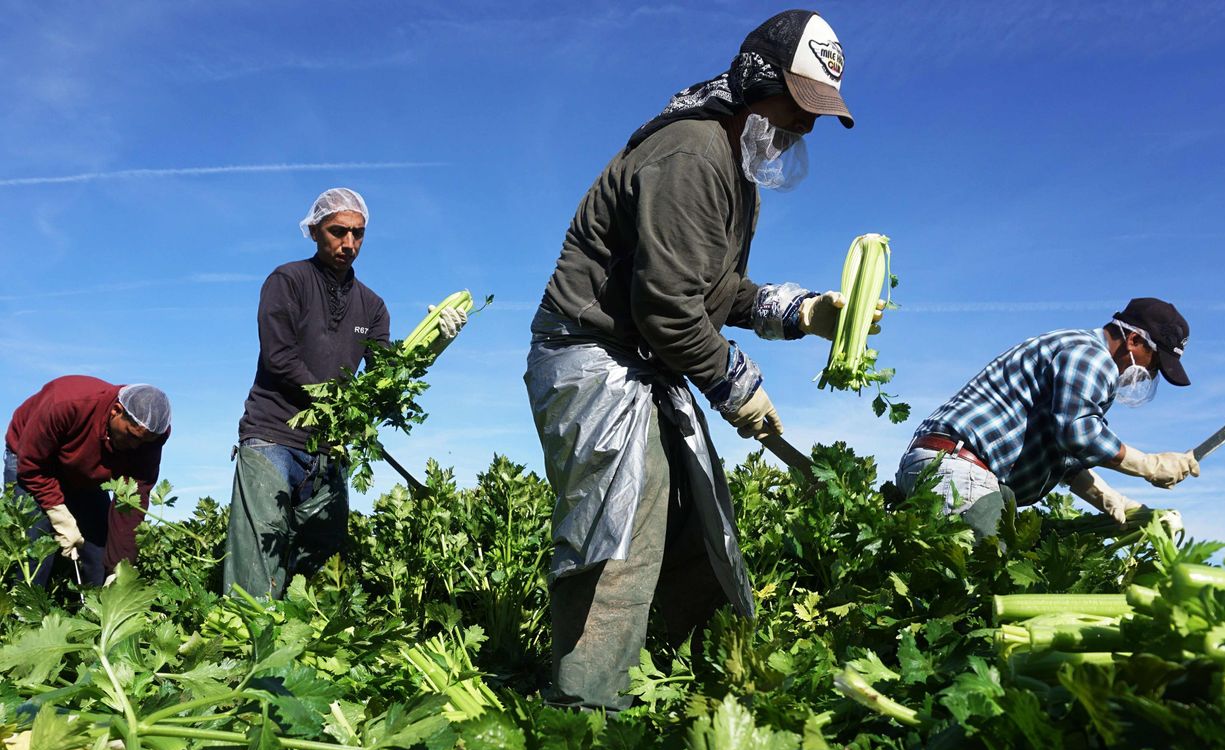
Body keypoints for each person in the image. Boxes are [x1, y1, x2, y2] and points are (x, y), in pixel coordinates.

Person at [525, 9, 864, 712]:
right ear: (756, 80)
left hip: (642, 359)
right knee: (621, 533)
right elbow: (670, 310)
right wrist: (739, 388)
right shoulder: (692, 152)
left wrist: (799, 313)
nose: (803, 129)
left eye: (816, 117)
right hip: (594, 355)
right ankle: (583, 717)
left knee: (698, 519)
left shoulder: (734, 172)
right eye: (798, 107)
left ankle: (669, 684)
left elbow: (716, 291)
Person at [223, 187, 467, 598]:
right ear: (315, 231)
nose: (349, 244)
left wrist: (436, 343)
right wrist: (337, 402)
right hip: (272, 434)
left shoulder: (372, 306)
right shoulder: (288, 281)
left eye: (358, 234)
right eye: (338, 231)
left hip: (330, 445)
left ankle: (283, 619)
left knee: (323, 543)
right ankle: (243, 641)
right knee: (257, 552)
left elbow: (386, 378)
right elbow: (280, 357)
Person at [895, 297, 1198, 536]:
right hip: (961, 472)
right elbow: (1080, 434)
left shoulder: (1072, 349)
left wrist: (1113, 500)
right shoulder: (1092, 357)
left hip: (941, 465)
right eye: (1154, 362)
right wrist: (1149, 465)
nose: (1149, 374)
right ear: (1133, 340)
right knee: (986, 583)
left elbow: (1065, 454)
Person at [4, 377, 170, 587]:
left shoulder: (150, 439)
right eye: (131, 435)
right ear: (116, 411)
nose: (136, 446)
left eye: (144, 442)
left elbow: (131, 502)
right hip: (31, 461)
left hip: (85, 473)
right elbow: (32, 464)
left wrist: (119, 568)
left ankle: (92, 610)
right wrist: (59, 514)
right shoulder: (66, 403)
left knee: (99, 551)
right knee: (34, 548)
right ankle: (26, 612)